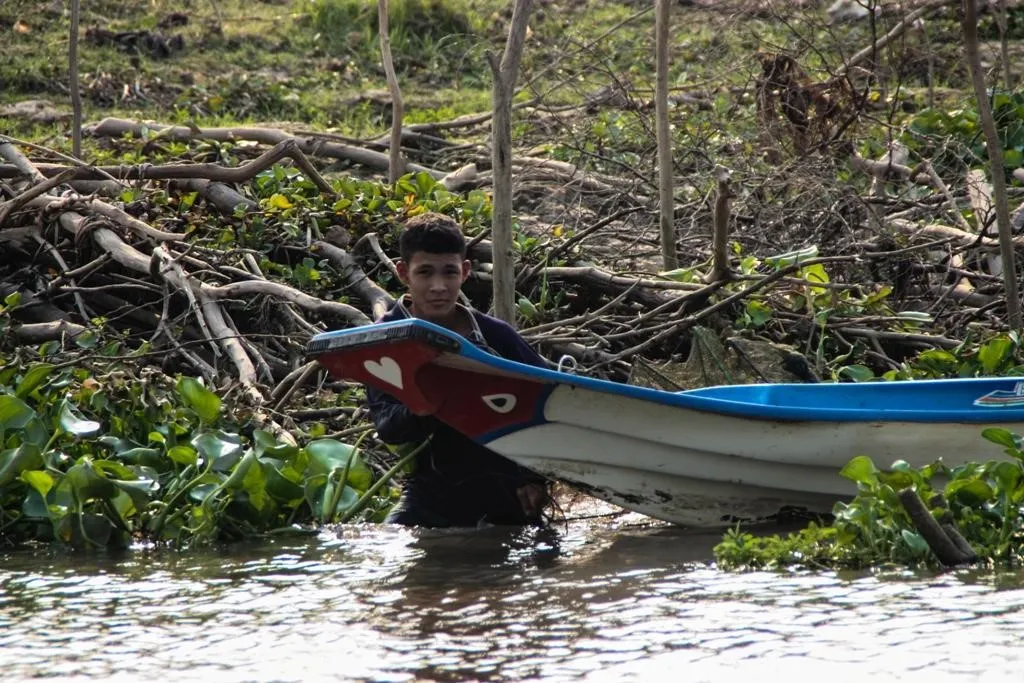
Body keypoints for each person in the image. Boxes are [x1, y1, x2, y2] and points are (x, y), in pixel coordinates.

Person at [365, 212, 551, 528]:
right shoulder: (386, 338)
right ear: (402, 272)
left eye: (449, 272)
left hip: (505, 494)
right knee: (391, 547)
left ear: (464, 272)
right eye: (425, 272)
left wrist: (535, 478)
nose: (439, 286)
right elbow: (387, 426)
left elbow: (548, 400)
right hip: (429, 498)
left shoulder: (496, 336)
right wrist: (430, 401)